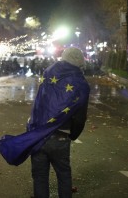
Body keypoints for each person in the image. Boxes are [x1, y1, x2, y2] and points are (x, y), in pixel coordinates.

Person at [28, 47, 90, 198]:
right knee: (63, 175)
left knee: (40, 176)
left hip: (39, 133)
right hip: (61, 135)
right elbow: (80, 117)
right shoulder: (81, 83)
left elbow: (39, 101)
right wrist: (73, 135)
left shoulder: (49, 72)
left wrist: (33, 126)